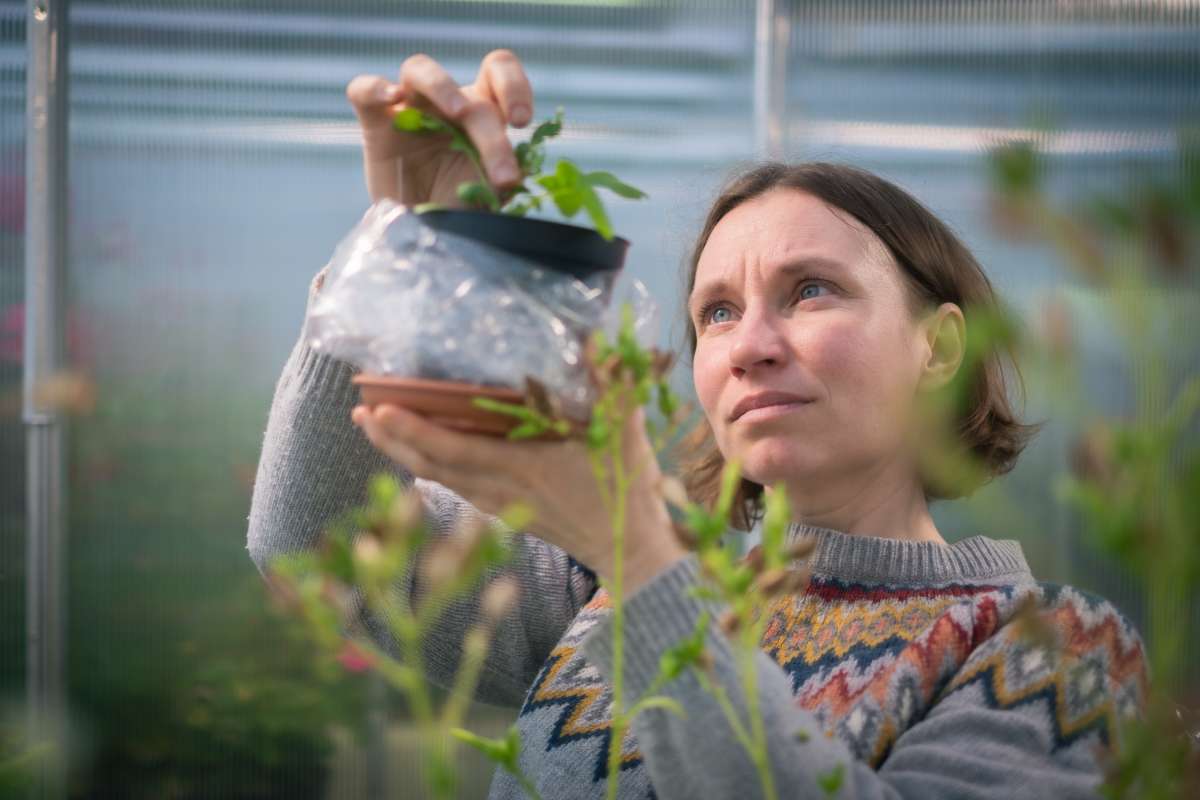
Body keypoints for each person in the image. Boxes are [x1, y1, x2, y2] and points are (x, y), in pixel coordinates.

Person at [247, 48, 1148, 799]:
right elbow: (315, 545)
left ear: (941, 346)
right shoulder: (591, 590)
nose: (749, 344)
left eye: (811, 291)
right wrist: (400, 246)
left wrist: (642, 561)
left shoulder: (1053, 652)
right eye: (715, 312)